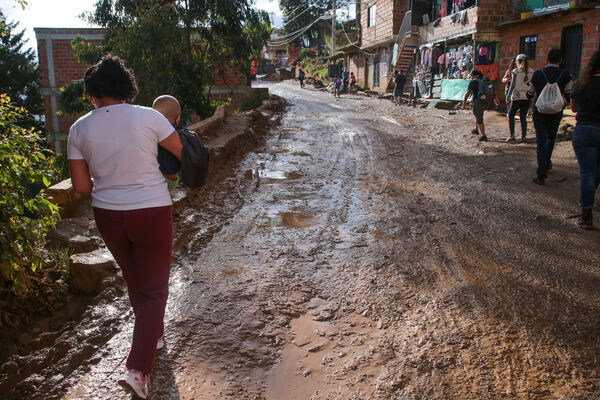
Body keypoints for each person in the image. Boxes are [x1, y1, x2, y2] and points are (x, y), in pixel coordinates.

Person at [68, 55, 182, 399]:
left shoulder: (78, 129)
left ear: (92, 95)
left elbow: (81, 187)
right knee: (155, 289)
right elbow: (178, 156)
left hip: (109, 215)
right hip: (151, 211)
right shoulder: (149, 117)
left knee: (135, 279)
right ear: (127, 88)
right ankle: (137, 369)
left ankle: (152, 332)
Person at [527, 47, 572, 185]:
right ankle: (546, 164)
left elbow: (529, 94)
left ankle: (541, 173)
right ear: (560, 60)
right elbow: (569, 95)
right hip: (556, 113)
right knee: (551, 139)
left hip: (540, 113)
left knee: (541, 142)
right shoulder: (565, 75)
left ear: (547, 58)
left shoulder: (538, 74)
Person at [570, 50, 600, 229]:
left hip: (584, 131)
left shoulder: (581, 83)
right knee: (595, 173)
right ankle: (590, 198)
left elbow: (573, 109)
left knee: (587, 174)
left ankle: (586, 217)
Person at [505, 54, 534, 143]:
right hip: (527, 97)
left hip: (517, 97)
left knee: (510, 115)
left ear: (518, 62)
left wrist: (508, 96)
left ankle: (512, 135)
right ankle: (524, 137)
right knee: (523, 117)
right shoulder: (532, 71)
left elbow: (512, 85)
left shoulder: (516, 71)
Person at [153, 95, 181, 181]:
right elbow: (171, 175)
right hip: (160, 182)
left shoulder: (147, 132)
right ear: (178, 119)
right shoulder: (170, 137)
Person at [463, 69, 488, 141]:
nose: (471, 77)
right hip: (485, 100)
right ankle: (476, 129)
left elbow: (468, 93)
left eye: (472, 76)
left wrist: (464, 101)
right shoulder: (485, 80)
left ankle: (484, 135)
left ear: (477, 75)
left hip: (478, 100)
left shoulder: (473, 82)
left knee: (479, 117)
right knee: (479, 114)